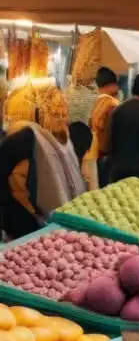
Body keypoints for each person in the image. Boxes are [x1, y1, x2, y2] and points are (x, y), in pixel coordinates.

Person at [0, 88, 87, 239]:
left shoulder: (66, 140)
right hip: (27, 224)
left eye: (63, 114)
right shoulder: (26, 137)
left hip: (52, 222)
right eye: (55, 114)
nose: (60, 118)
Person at [84, 66, 120, 190]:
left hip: (93, 159)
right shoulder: (113, 105)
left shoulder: (93, 103)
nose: (118, 89)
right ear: (111, 85)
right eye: (116, 85)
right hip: (107, 159)